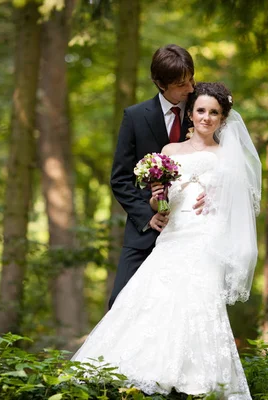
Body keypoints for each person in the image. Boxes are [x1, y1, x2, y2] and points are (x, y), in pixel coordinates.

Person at [72, 82, 261, 399]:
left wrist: (221, 197)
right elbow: (161, 202)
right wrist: (156, 199)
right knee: (155, 294)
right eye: (201, 110)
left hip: (207, 236)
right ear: (191, 113)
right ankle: (151, 372)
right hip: (173, 233)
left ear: (223, 117)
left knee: (199, 299)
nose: (206, 117)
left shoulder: (228, 158)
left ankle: (197, 380)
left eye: (214, 112)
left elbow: (242, 208)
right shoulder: (169, 152)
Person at [109, 44, 204, 309]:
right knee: (120, 303)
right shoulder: (135, 117)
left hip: (190, 230)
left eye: (191, 79)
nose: (191, 89)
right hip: (144, 231)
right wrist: (147, 216)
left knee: (180, 308)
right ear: (161, 84)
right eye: (182, 84)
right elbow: (119, 178)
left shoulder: (203, 112)